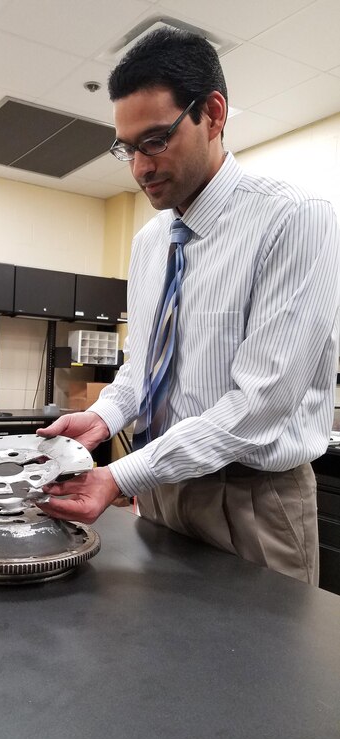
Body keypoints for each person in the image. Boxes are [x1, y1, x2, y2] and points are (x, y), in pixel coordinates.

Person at [37, 27, 340, 584]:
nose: (140, 168)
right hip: (159, 489)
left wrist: (122, 476)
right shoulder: (152, 243)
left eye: (155, 140)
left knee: (258, 669)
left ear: (214, 114)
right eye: (128, 148)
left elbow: (259, 406)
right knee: (159, 662)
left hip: (250, 501)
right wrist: (102, 420)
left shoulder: (295, 220)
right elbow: (143, 369)